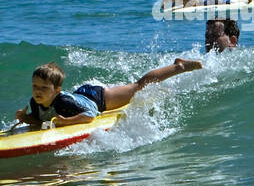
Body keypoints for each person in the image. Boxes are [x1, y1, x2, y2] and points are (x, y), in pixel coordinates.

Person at [15, 59, 203, 129]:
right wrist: (26, 118)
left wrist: (66, 122)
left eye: (43, 88)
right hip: (80, 95)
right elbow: (41, 120)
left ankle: (178, 66)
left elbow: (91, 115)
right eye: (35, 86)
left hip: (97, 98)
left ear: (56, 90)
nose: (37, 91)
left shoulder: (63, 102)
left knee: (139, 86)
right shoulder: (35, 101)